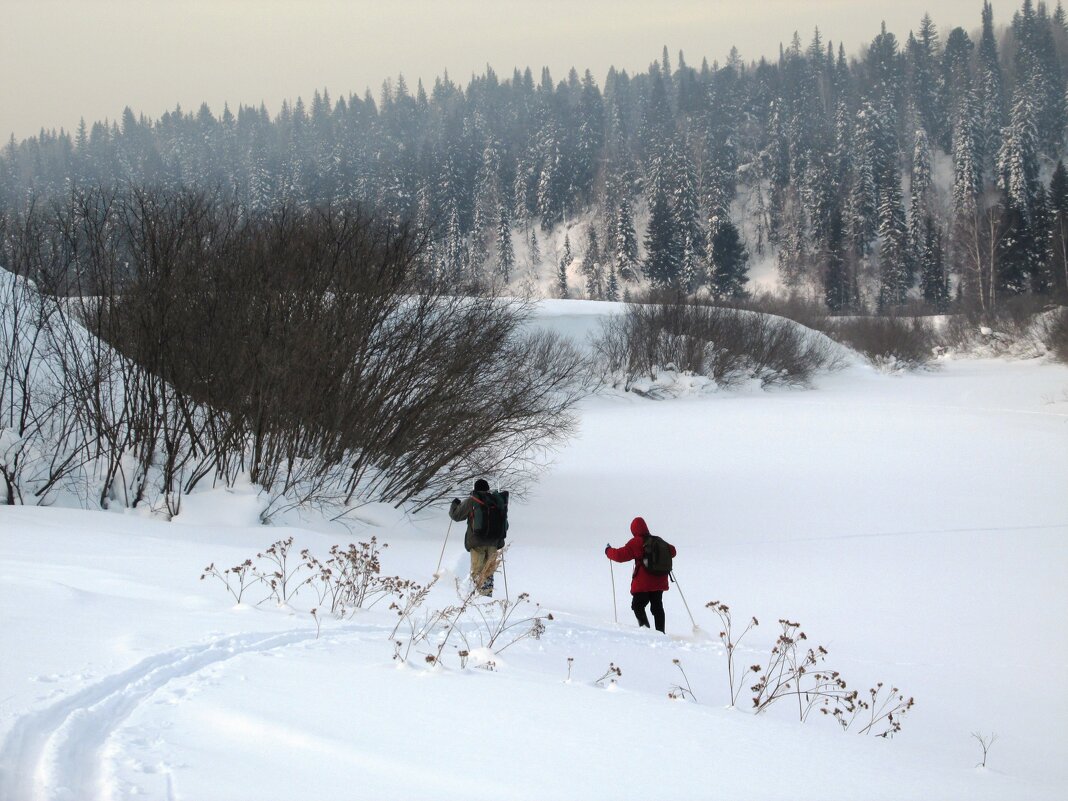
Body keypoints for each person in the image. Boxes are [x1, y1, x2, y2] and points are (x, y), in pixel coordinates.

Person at [605, 516, 676, 633]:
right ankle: (661, 633)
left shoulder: (636, 542)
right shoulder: (657, 540)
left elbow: (619, 555)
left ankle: (646, 631)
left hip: (643, 583)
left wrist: (608, 551)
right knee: (657, 607)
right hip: (659, 580)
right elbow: (673, 551)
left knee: (638, 605)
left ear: (633, 530)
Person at [449, 479, 506, 597]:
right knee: (489, 570)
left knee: (477, 570)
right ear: (488, 489)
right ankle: (487, 594)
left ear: (475, 489)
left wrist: (454, 504)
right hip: (493, 542)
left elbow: (456, 516)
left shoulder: (473, 500)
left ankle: (480, 597)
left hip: (477, 541)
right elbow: (505, 523)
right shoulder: (496, 501)